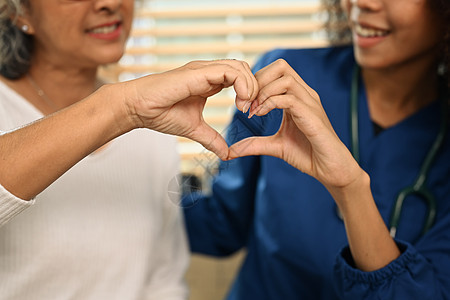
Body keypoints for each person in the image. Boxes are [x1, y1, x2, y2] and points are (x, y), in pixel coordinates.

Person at [182, 0, 450, 299]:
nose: (363, 3)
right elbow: (221, 222)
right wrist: (128, 119)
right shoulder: (285, 82)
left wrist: (351, 189)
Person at [0, 0, 257, 298]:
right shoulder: (133, 106)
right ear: (20, 12)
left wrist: (127, 109)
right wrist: (121, 108)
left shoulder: (152, 123)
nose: (109, 3)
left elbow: (163, 279)